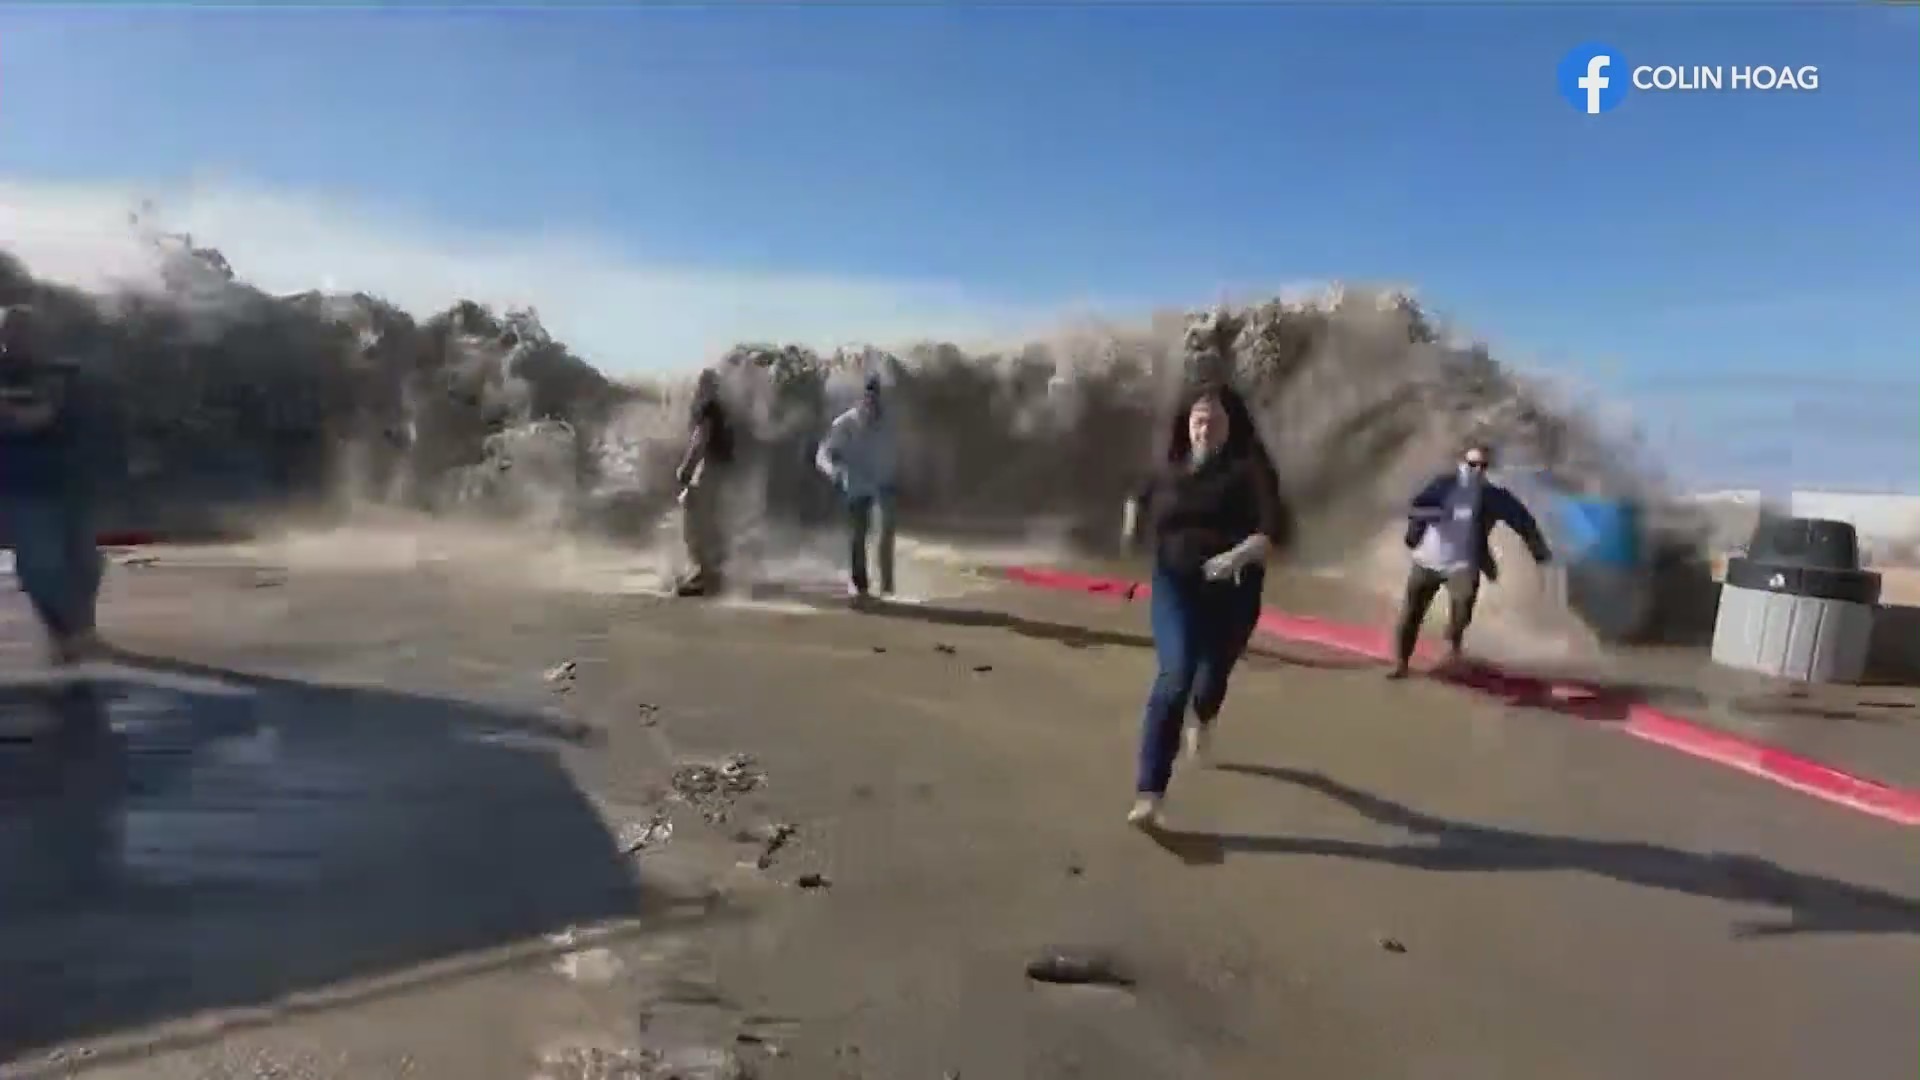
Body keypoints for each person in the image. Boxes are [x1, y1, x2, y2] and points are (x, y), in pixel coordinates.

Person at [1121, 382, 1290, 829]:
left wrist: (1236, 556)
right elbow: (1138, 495)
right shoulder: (1171, 466)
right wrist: (1131, 526)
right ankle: (1149, 793)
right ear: (1187, 423)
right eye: (1199, 419)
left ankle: (1206, 718)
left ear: (1231, 425)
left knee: (1210, 679)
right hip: (1176, 585)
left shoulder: (1250, 468)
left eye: (1215, 421)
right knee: (1174, 676)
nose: (1205, 428)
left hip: (1234, 591)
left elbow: (1273, 529)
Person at [1387, 441, 1552, 679]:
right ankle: (1401, 665)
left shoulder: (1493, 496)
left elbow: (1522, 520)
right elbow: (1416, 508)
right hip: (1427, 562)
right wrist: (1417, 531)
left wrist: (1539, 551)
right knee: (1411, 614)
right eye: (1471, 464)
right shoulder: (1443, 485)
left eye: (1482, 466)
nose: (1476, 471)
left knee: (1462, 611)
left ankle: (1453, 645)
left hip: (1462, 565)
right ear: (1461, 464)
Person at [0, 307, 107, 665]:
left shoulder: (66, 374)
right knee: (40, 565)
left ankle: (78, 630)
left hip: (69, 482)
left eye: (27, 330)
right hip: (23, 486)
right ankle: (68, 632)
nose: (19, 338)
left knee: (84, 564)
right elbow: (32, 419)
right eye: (12, 331)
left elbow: (79, 420)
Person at [814, 374, 899, 600]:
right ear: (862, 398)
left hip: (884, 483)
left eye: (876, 396)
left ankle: (887, 586)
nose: (873, 401)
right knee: (859, 535)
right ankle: (860, 585)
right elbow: (823, 453)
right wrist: (834, 472)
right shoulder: (845, 423)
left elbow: (894, 451)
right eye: (869, 396)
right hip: (856, 484)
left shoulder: (888, 422)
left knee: (886, 532)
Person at [673, 368, 736, 598]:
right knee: (711, 520)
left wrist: (686, 468)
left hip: (710, 469)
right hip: (723, 471)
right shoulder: (724, 410)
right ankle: (713, 572)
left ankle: (703, 573)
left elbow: (701, 439)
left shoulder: (708, 408)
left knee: (694, 519)